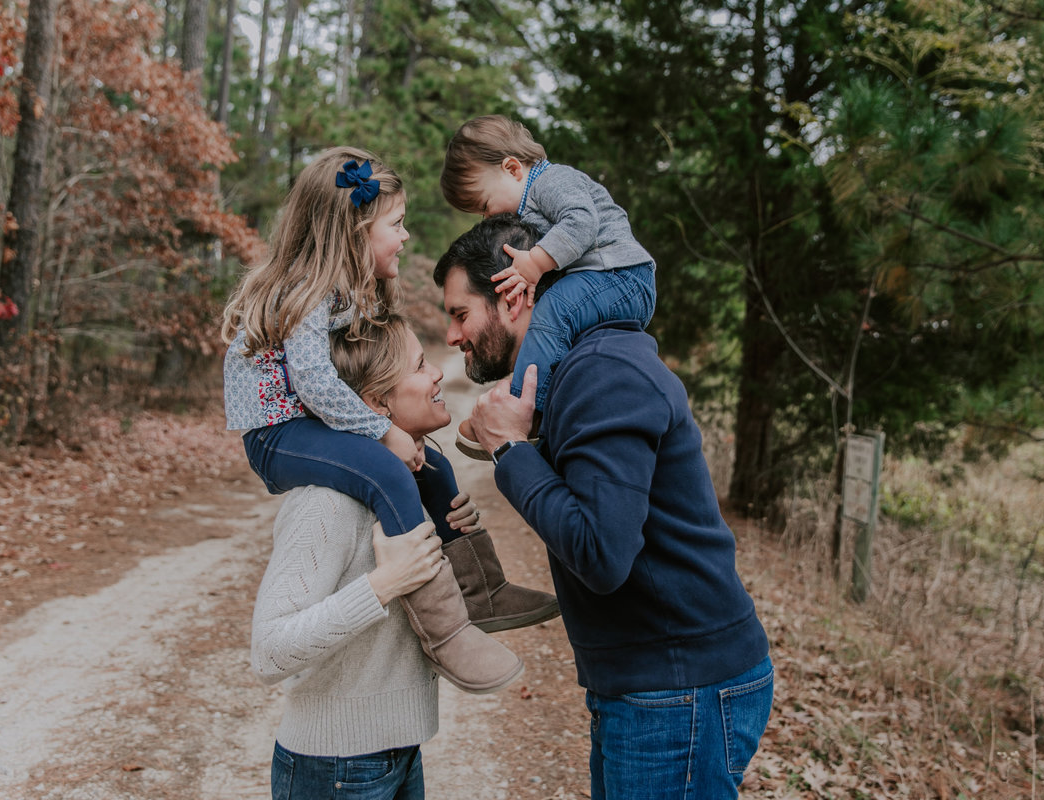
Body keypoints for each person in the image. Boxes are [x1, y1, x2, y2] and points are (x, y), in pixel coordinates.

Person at [433, 214, 774, 799]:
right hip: (654, 687)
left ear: (514, 295)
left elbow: (601, 552)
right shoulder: (576, 372)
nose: (453, 337)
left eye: (461, 314)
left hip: (679, 689)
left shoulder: (602, 373)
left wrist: (511, 450)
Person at [225, 146, 547, 693]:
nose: (404, 238)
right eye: (395, 225)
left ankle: (481, 590)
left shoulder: (348, 293)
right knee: (388, 472)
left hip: (309, 422)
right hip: (278, 433)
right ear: (354, 232)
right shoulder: (310, 291)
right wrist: (384, 430)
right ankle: (446, 632)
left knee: (436, 469)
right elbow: (316, 383)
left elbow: (359, 367)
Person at [251, 315, 540, 799]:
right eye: (421, 365)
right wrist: (384, 584)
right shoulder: (327, 502)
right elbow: (269, 651)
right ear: (375, 402)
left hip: (399, 751)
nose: (437, 376)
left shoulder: (410, 485)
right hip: (335, 766)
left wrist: (455, 543)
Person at [439, 115, 657, 458]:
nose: (486, 217)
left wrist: (536, 262)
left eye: (483, 205)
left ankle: (525, 410)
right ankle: (549, 400)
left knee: (553, 309)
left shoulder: (552, 181)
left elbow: (583, 221)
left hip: (622, 276)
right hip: (605, 278)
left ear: (512, 169)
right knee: (552, 316)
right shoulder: (530, 199)